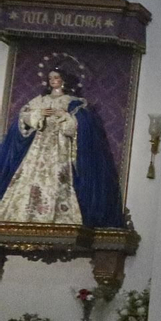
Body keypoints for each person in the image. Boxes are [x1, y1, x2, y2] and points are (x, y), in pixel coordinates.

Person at [0, 66, 124, 226]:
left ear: (63, 81)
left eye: (56, 77)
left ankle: (58, 218)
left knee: (59, 176)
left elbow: (79, 127)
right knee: (28, 176)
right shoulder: (40, 101)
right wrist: (38, 114)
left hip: (60, 147)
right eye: (51, 78)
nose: (53, 81)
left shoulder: (71, 102)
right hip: (38, 146)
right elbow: (23, 117)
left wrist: (65, 117)